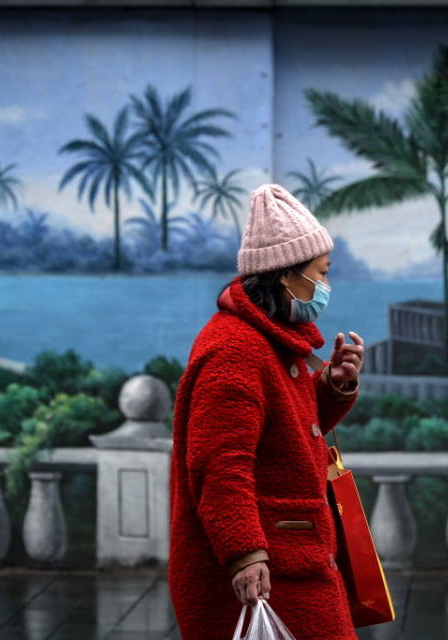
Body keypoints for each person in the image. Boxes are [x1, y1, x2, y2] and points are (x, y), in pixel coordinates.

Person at [168, 183, 365, 640]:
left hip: (293, 554)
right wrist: (245, 553)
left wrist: (333, 386)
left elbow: (286, 434)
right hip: (270, 566)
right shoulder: (235, 351)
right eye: (322, 272)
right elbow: (220, 463)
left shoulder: (269, 342)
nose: (326, 286)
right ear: (285, 277)